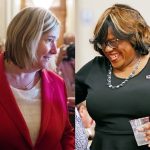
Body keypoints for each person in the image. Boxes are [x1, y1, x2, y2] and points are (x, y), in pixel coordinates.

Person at [75, 3, 150, 150]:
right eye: (103, 43)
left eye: (114, 41)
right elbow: (60, 98)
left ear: (134, 36)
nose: (108, 49)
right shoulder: (95, 67)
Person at [0, 7, 74, 150]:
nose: (54, 50)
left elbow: (66, 134)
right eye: (50, 40)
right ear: (27, 38)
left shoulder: (57, 83)